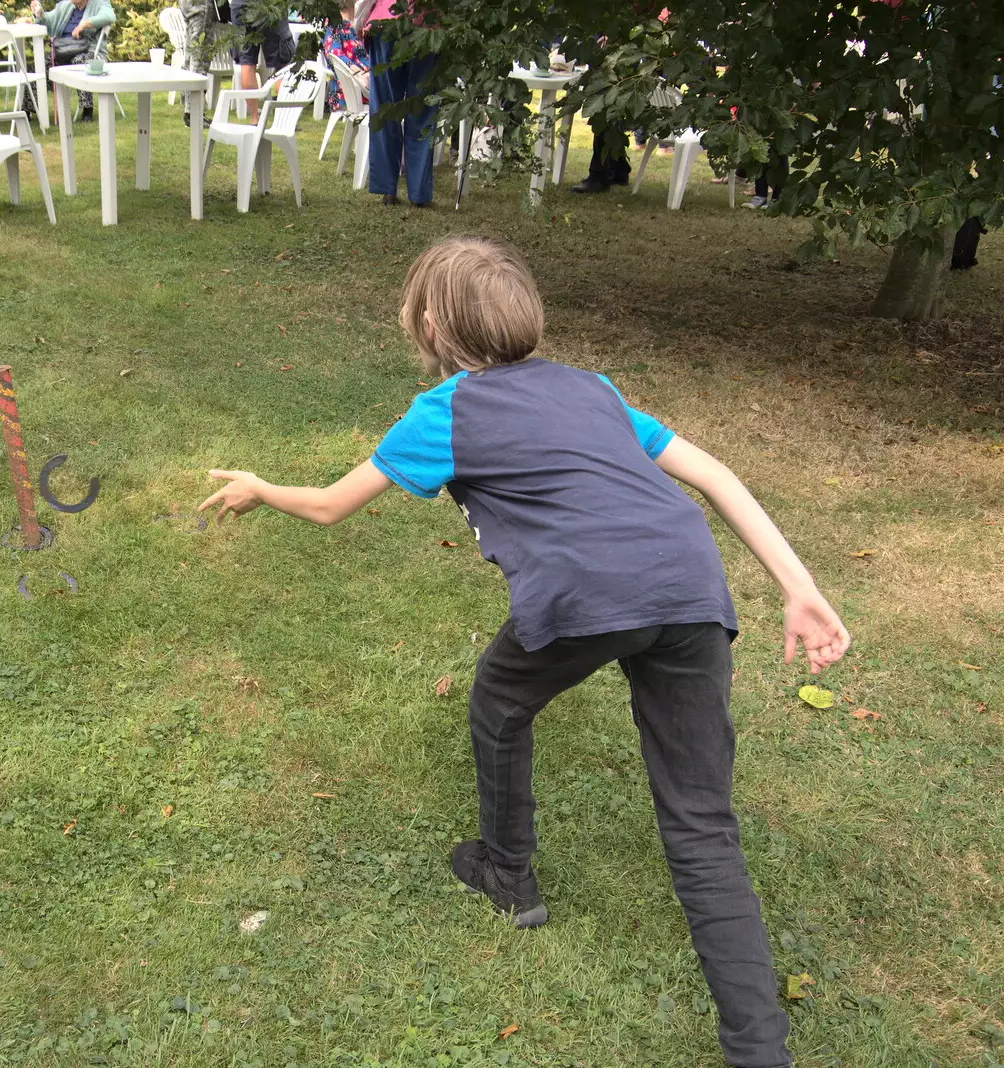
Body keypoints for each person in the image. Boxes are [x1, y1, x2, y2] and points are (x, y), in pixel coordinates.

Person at [197, 234, 850, 1068]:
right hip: (688, 585)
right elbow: (716, 476)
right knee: (701, 825)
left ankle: (509, 873)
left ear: (429, 322)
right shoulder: (595, 389)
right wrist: (796, 585)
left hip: (586, 594)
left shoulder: (444, 413)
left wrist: (259, 487)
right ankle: (761, 1053)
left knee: (500, 703)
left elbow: (329, 506)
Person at [354, 0, 434, 205]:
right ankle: (419, 194)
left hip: (385, 18)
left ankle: (387, 188)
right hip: (428, 21)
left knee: (384, 106)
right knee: (423, 110)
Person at [31, 0, 115, 121]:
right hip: (64, 52)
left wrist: (84, 24)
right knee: (40, 64)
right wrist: (39, 14)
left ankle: (87, 109)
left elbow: (109, 16)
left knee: (80, 61)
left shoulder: (99, 3)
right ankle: (28, 109)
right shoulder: (65, 6)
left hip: (90, 52)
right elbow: (49, 20)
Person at [229, 0, 292, 122]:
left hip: (240, 5)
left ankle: (254, 119)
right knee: (282, 63)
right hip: (270, 5)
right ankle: (284, 120)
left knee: (246, 63)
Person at [177, 0, 224, 127]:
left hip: (187, 4)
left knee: (191, 53)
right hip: (200, 5)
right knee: (200, 56)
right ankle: (194, 113)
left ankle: (189, 108)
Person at [321, 2, 368, 114]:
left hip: (367, 80)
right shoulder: (334, 22)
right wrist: (356, 71)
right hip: (348, 87)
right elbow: (334, 54)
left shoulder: (361, 20)